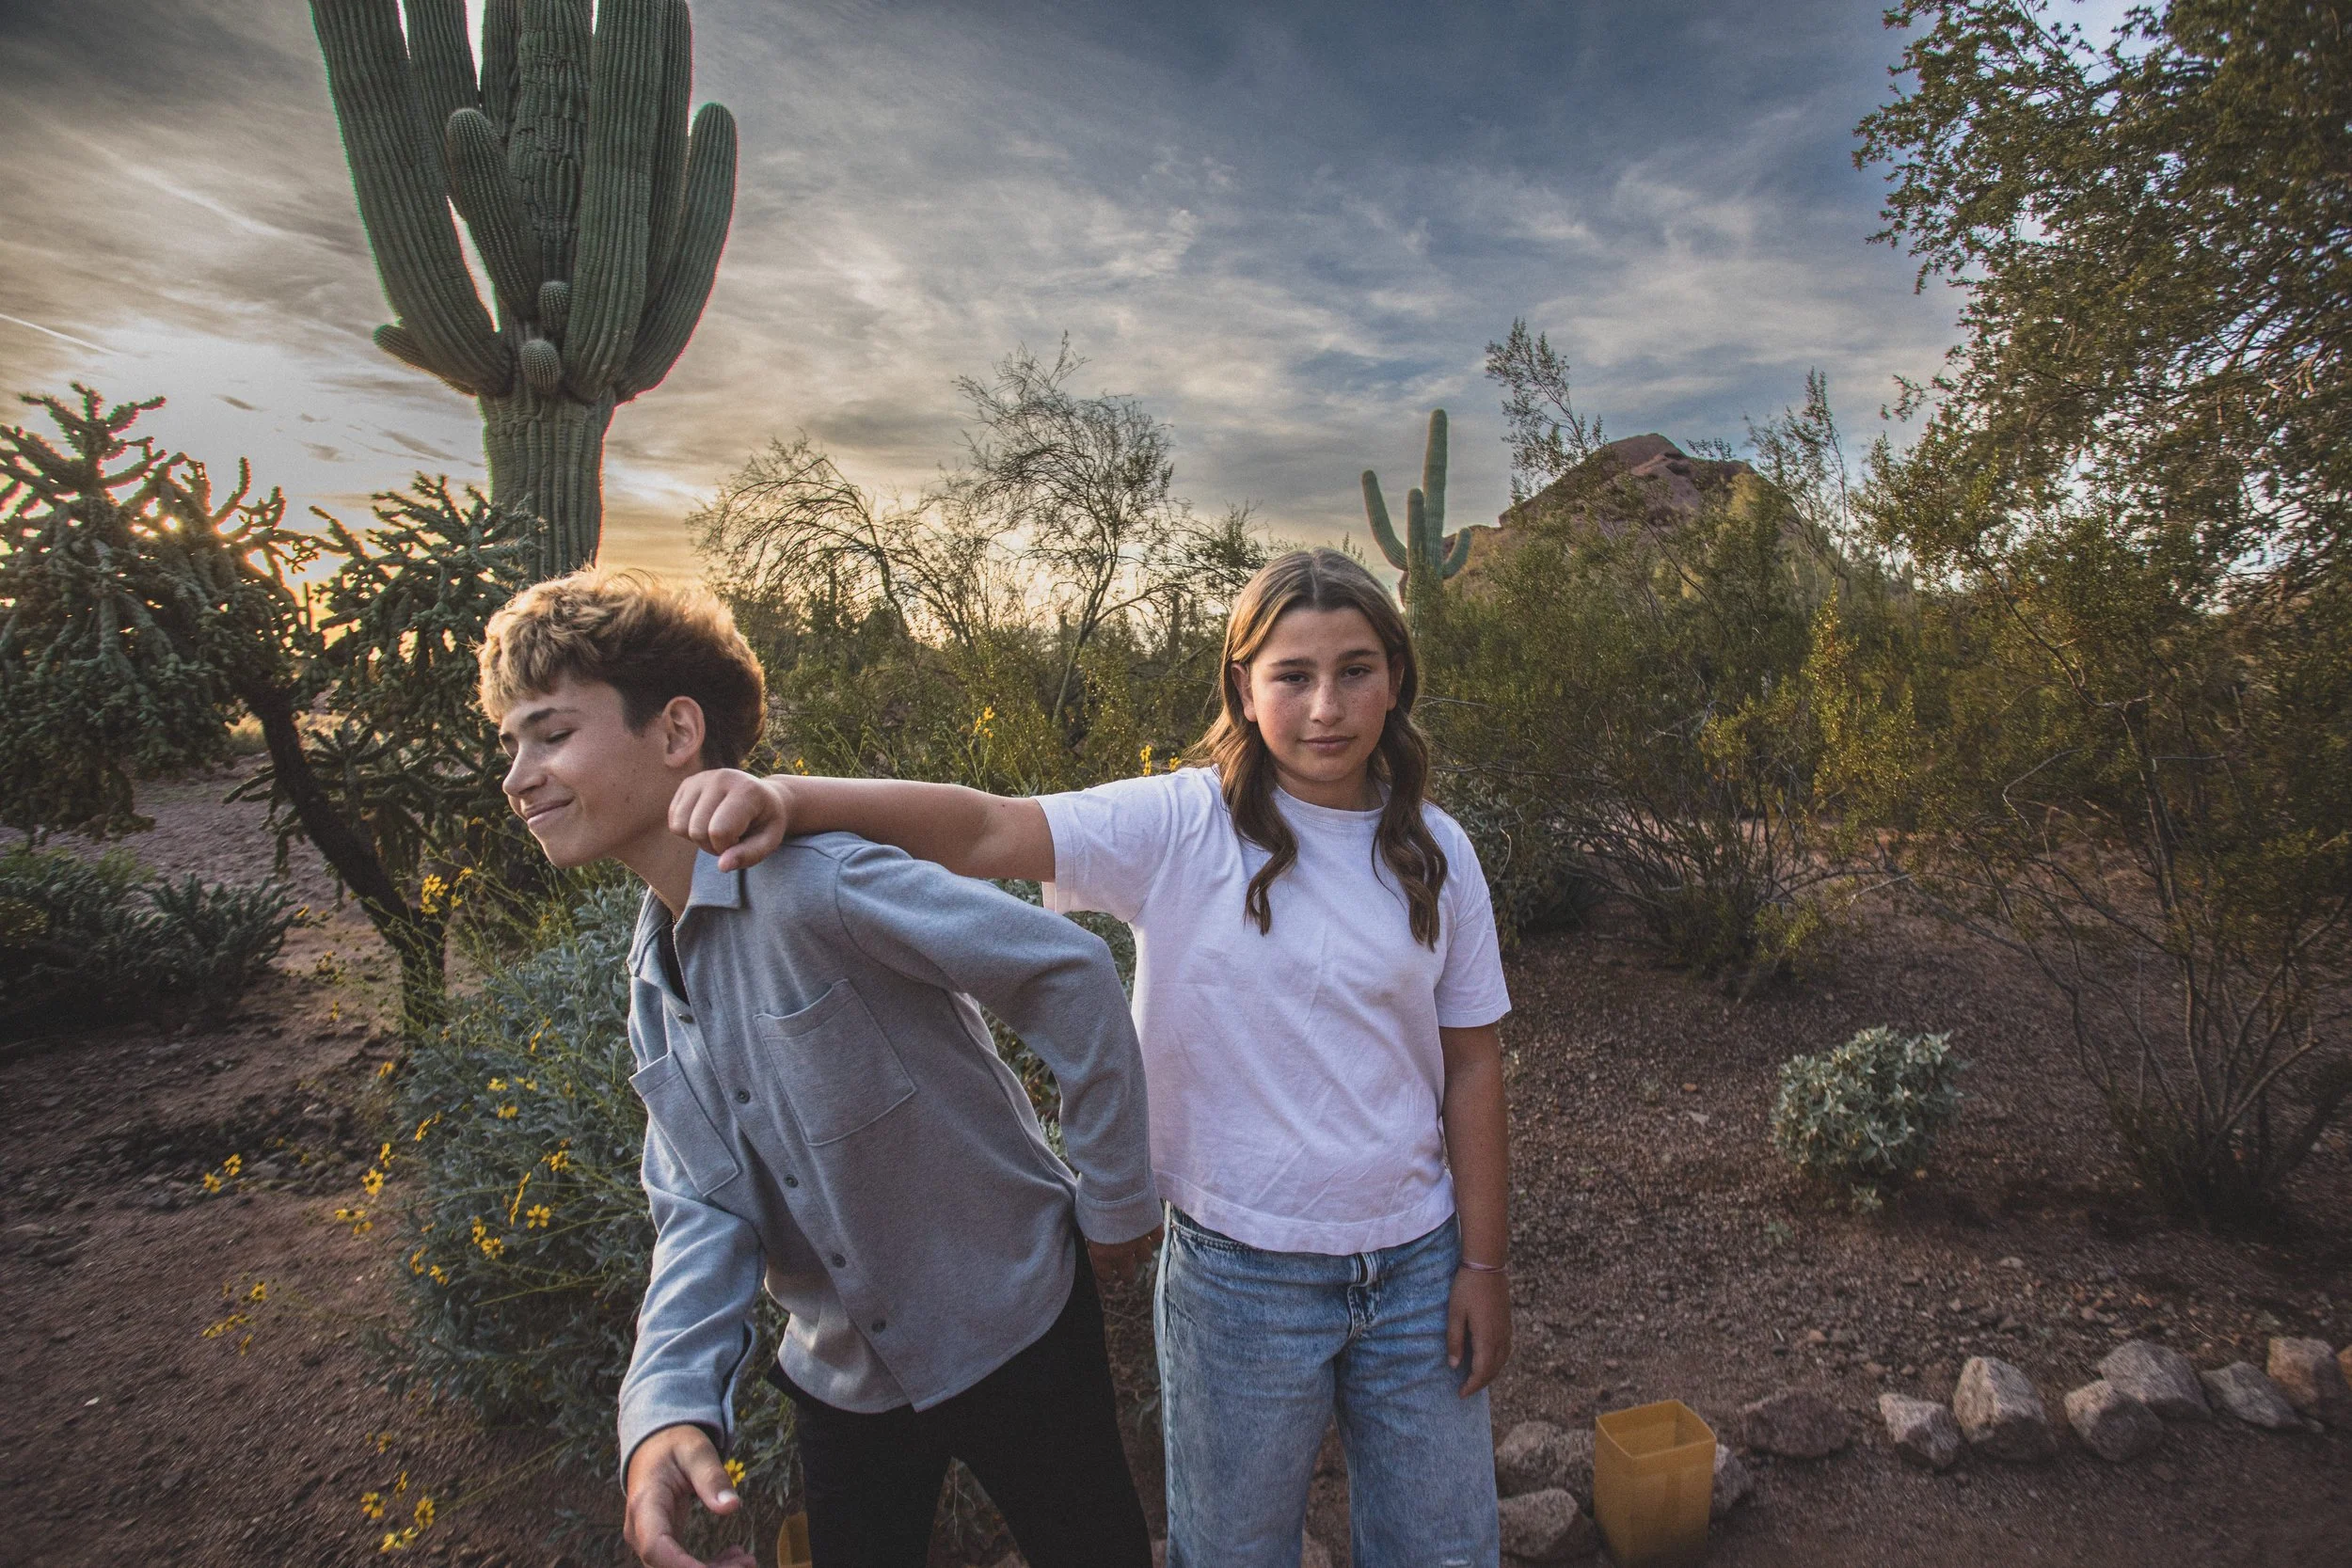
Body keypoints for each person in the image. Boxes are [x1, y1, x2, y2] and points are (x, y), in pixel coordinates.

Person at [674, 547, 1515, 1568]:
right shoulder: (1181, 824)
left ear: (1395, 679)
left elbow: (1471, 1064)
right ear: (1243, 689)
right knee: (1233, 1551)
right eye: (1292, 674)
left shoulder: (1434, 847)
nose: (1326, 704)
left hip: (1420, 1264)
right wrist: (792, 798)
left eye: (1356, 669)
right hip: (1241, 1277)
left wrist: (1482, 1262)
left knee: (1443, 1548)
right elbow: (987, 828)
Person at [477, 568, 1162, 1568]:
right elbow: (699, 1203)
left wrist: (1114, 1202)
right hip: (845, 1373)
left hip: (1014, 1319)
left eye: (549, 732)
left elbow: (1069, 970)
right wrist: (666, 1405)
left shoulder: (814, 879)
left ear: (676, 733)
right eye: (511, 743)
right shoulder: (651, 971)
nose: (519, 774)